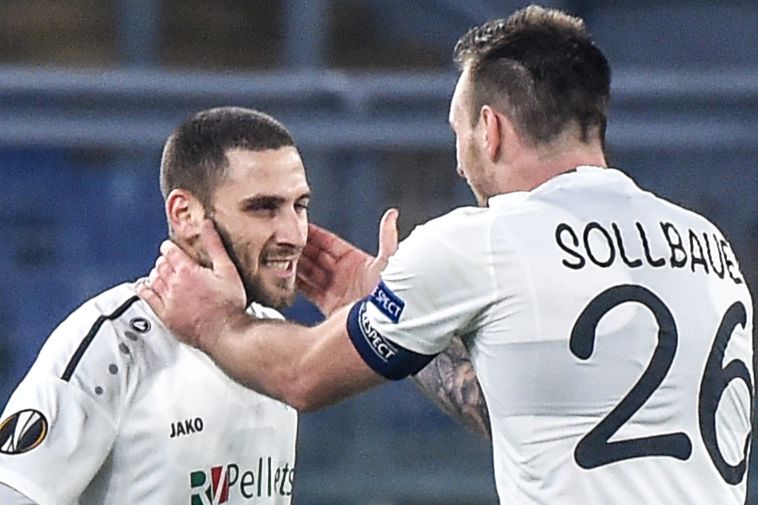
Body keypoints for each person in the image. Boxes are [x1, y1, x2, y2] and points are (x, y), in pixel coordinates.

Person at [139, 5, 755, 504]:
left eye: (457, 132)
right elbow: (539, 417)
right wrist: (395, 316)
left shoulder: (483, 240)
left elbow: (301, 376)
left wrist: (212, 322)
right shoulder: (708, 247)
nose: (460, 162)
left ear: (490, 129)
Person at [0, 106, 317, 504]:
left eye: (299, 206)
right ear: (185, 215)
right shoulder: (112, 346)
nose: (294, 234)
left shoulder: (274, 341)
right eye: (263, 208)